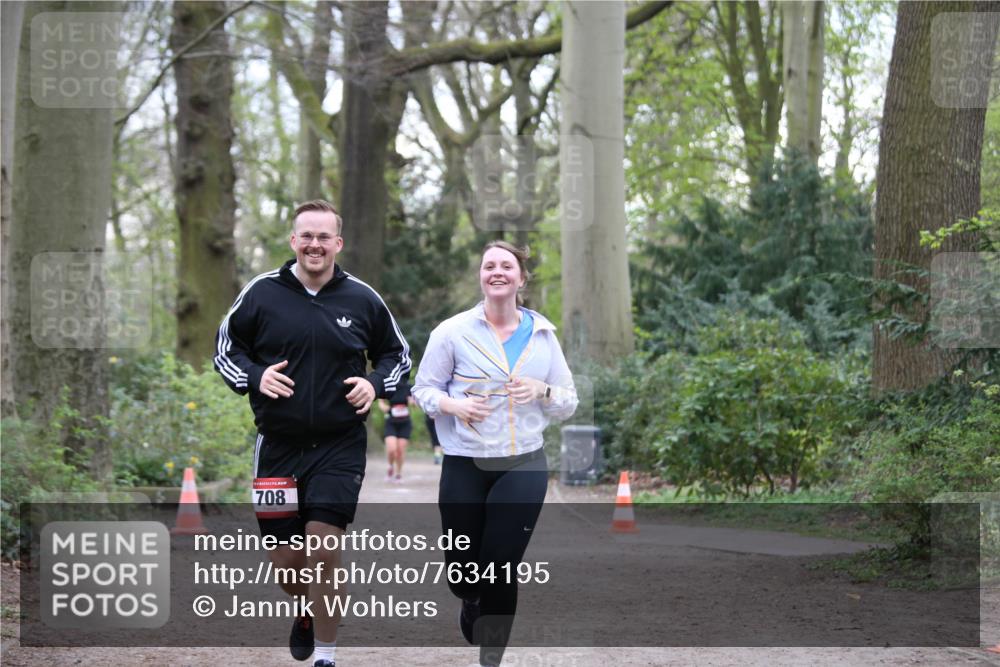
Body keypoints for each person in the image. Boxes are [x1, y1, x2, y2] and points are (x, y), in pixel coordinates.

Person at [214, 199, 411, 667]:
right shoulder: (261, 294)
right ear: (293, 241)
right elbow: (227, 349)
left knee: (324, 545)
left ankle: (326, 654)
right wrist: (254, 376)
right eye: (307, 235)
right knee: (285, 563)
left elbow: (397, 355)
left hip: (339, 446)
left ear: (338, 243)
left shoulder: (363, 298)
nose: (315, 244)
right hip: (277, 448)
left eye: (324, 237)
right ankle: (305, 608)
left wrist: (375, 383)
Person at [412, 240, 578, 667]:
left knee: (501, 565)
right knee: (463, 573)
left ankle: (491, 657)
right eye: (489, 266)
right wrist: (453, 405)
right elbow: (423, 389)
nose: (497, 272)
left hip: (523, 462)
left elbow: (568, 401)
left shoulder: (543, 336)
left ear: (521, 278)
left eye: (507, 266)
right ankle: (470, 598)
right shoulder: (451, 332)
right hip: (464, 462)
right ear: (481, 276)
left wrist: (541, 390)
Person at [377, 378, 414, 482]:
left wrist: (412, 402)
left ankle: (398, 474)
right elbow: (381, 401)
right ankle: (390, 466)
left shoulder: (409, 387)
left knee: (400, 450)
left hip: (405, 423)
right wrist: (384, 407)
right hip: (391, 422)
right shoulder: (389, 385)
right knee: (392, 449)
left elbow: (415, 403)